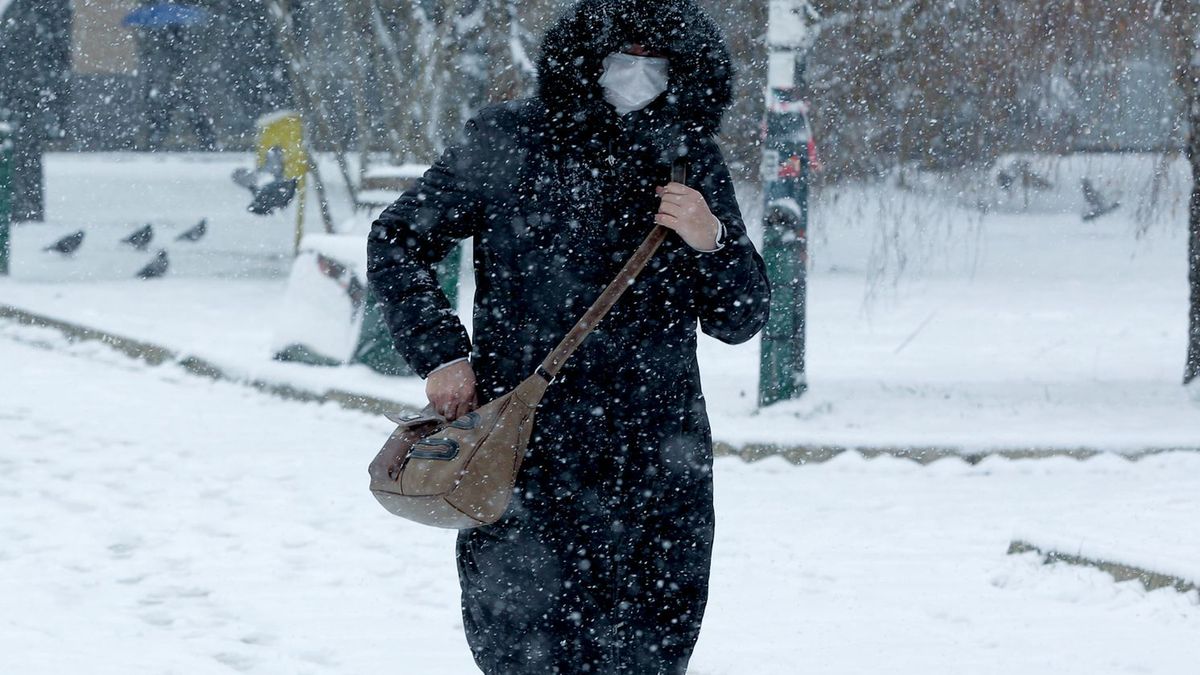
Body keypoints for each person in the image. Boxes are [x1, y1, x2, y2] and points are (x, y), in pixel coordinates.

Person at [367, 0, 770, 672]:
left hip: (657, 469)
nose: (637, 75)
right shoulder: (511, 139)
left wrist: (714, 239)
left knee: (650, 655)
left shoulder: (690, 159)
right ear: (586, 59)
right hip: (527, 458)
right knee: (522, 652)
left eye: (656, 62)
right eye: (622, 58)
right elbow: (399, 237)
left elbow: (740, 318)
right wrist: (439, 351)